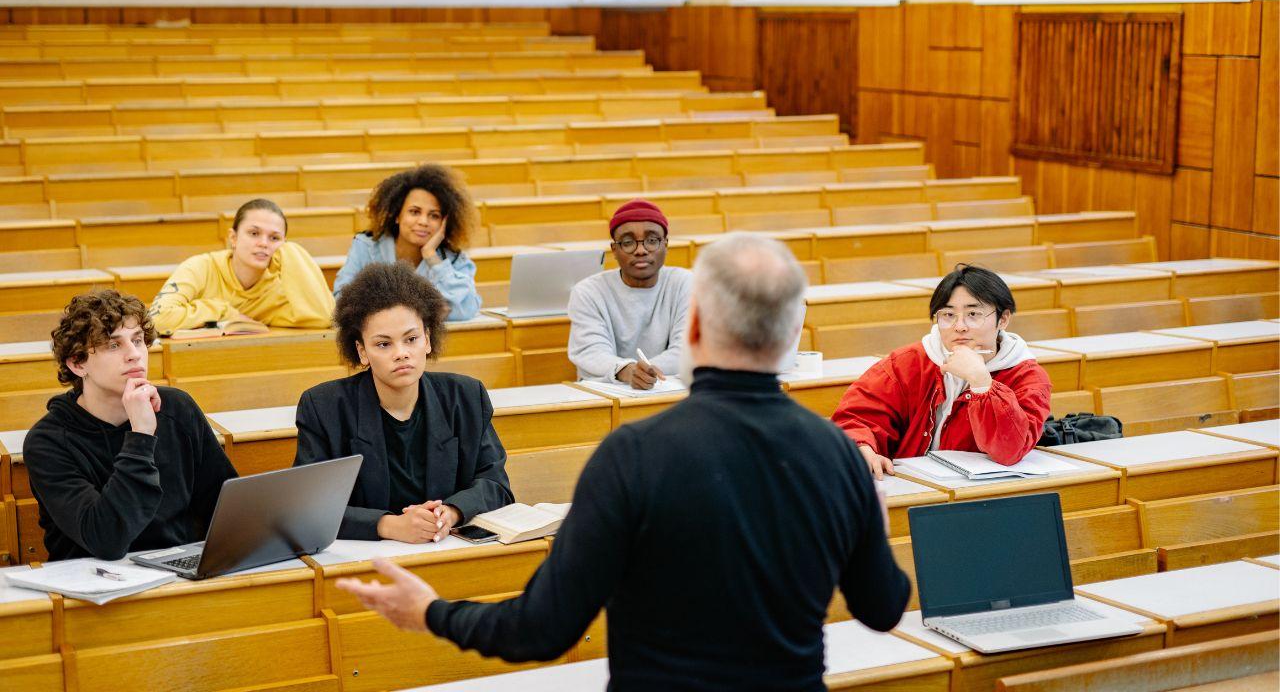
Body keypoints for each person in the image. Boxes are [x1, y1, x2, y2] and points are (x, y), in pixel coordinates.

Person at [336, 233, 910, 690]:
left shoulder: (634, 455)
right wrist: (870, 533)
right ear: (792, 331)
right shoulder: (835, 452)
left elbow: (541, 629)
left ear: (692, 328)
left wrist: (431, 612)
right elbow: (884, 609)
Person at [294, 262, 512, 542]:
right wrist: (388, 526)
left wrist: (451, 512)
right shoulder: (323, 407)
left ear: (428, 340)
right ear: (361, 351)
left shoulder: (466, 397)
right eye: (384, 344)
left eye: (411, 339)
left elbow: (496, 484)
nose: (402, 353)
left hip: (444, 548)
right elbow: (309, 507)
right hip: (365, 562)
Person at [24, 290, 237, 561]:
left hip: (178, 574)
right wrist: (141, 437)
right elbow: (107, 539)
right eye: (114, 345)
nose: (134, 354)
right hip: (95, 586)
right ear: (78, 364)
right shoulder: (47, 442)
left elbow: (225, 505)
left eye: (138, 340)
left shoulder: (177, 409)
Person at [831, 264, 1052, 478]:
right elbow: (857, 417)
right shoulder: (908, 362)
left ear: (1003, 319)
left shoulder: (1028, 377)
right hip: (911, 485)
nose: (960, 326)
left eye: (973, 314)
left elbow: (1010, 450)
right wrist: (860, 446)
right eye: (948, 315)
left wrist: (982, 383)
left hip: (981, 495)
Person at [148, 198, 334, 336]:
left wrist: (291, 252)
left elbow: (324, 319)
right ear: (234, 238)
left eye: (275, 238)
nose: (263, 243)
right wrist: (226, 312)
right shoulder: (200, 267)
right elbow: (158, 319)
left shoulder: (279, 290)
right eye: (254, 233)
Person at [567, 199, 692, 389]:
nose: (641, 250)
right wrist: (627, 370)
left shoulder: (686, 284)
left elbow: (687, 349)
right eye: (628, 242)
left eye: (652, 241)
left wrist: (645, 372)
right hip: (606, 393)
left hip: (668, 390)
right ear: (614, 250)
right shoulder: (588, 292)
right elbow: (590, 351)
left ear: (665, 245)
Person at [333, 164, 482, 321]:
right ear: (397, 215)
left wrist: (432, 257)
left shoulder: (453, 259)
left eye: (434, 215)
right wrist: (428, 308)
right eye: (414, 212)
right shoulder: (366, 247)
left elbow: (467, 309)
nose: (423, 221)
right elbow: (341, 299)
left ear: (445, 222)